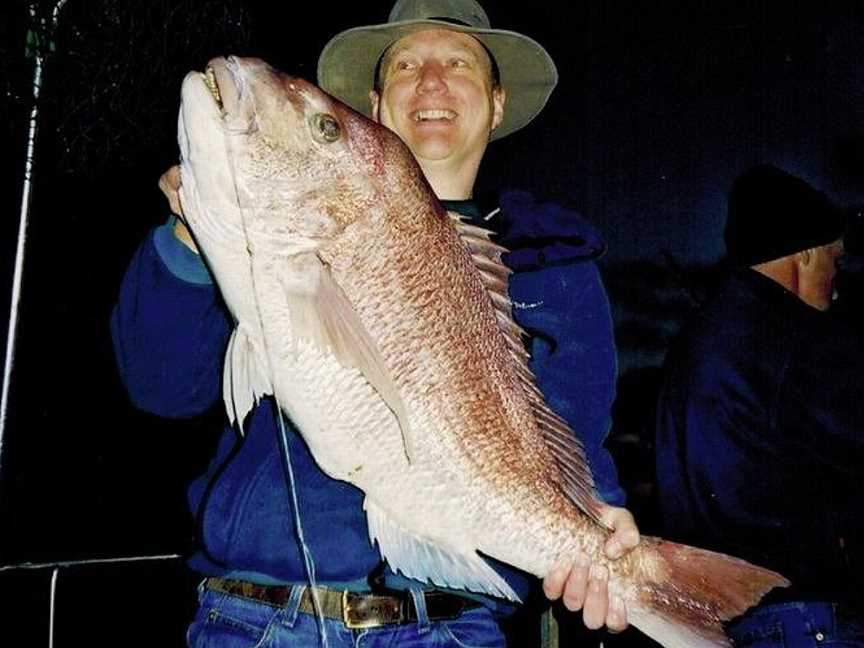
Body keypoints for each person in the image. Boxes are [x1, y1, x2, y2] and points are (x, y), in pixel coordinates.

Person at [112, 0, 640, 645]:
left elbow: (575, 429)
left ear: (497, 103)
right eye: (407, 66)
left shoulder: (553, 263)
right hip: (252, 618)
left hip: (443, 630)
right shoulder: (259, 237)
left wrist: (602, 525)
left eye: (459, 63)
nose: (432, 83)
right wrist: (189, 243)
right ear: (375, 102)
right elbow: (162, 389)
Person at [655, 164, 864, 647]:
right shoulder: (795, 338)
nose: (836, 285)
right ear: (807, 254)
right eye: (837, 262)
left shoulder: (696, 342)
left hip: (718, 622)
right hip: (801, 620)